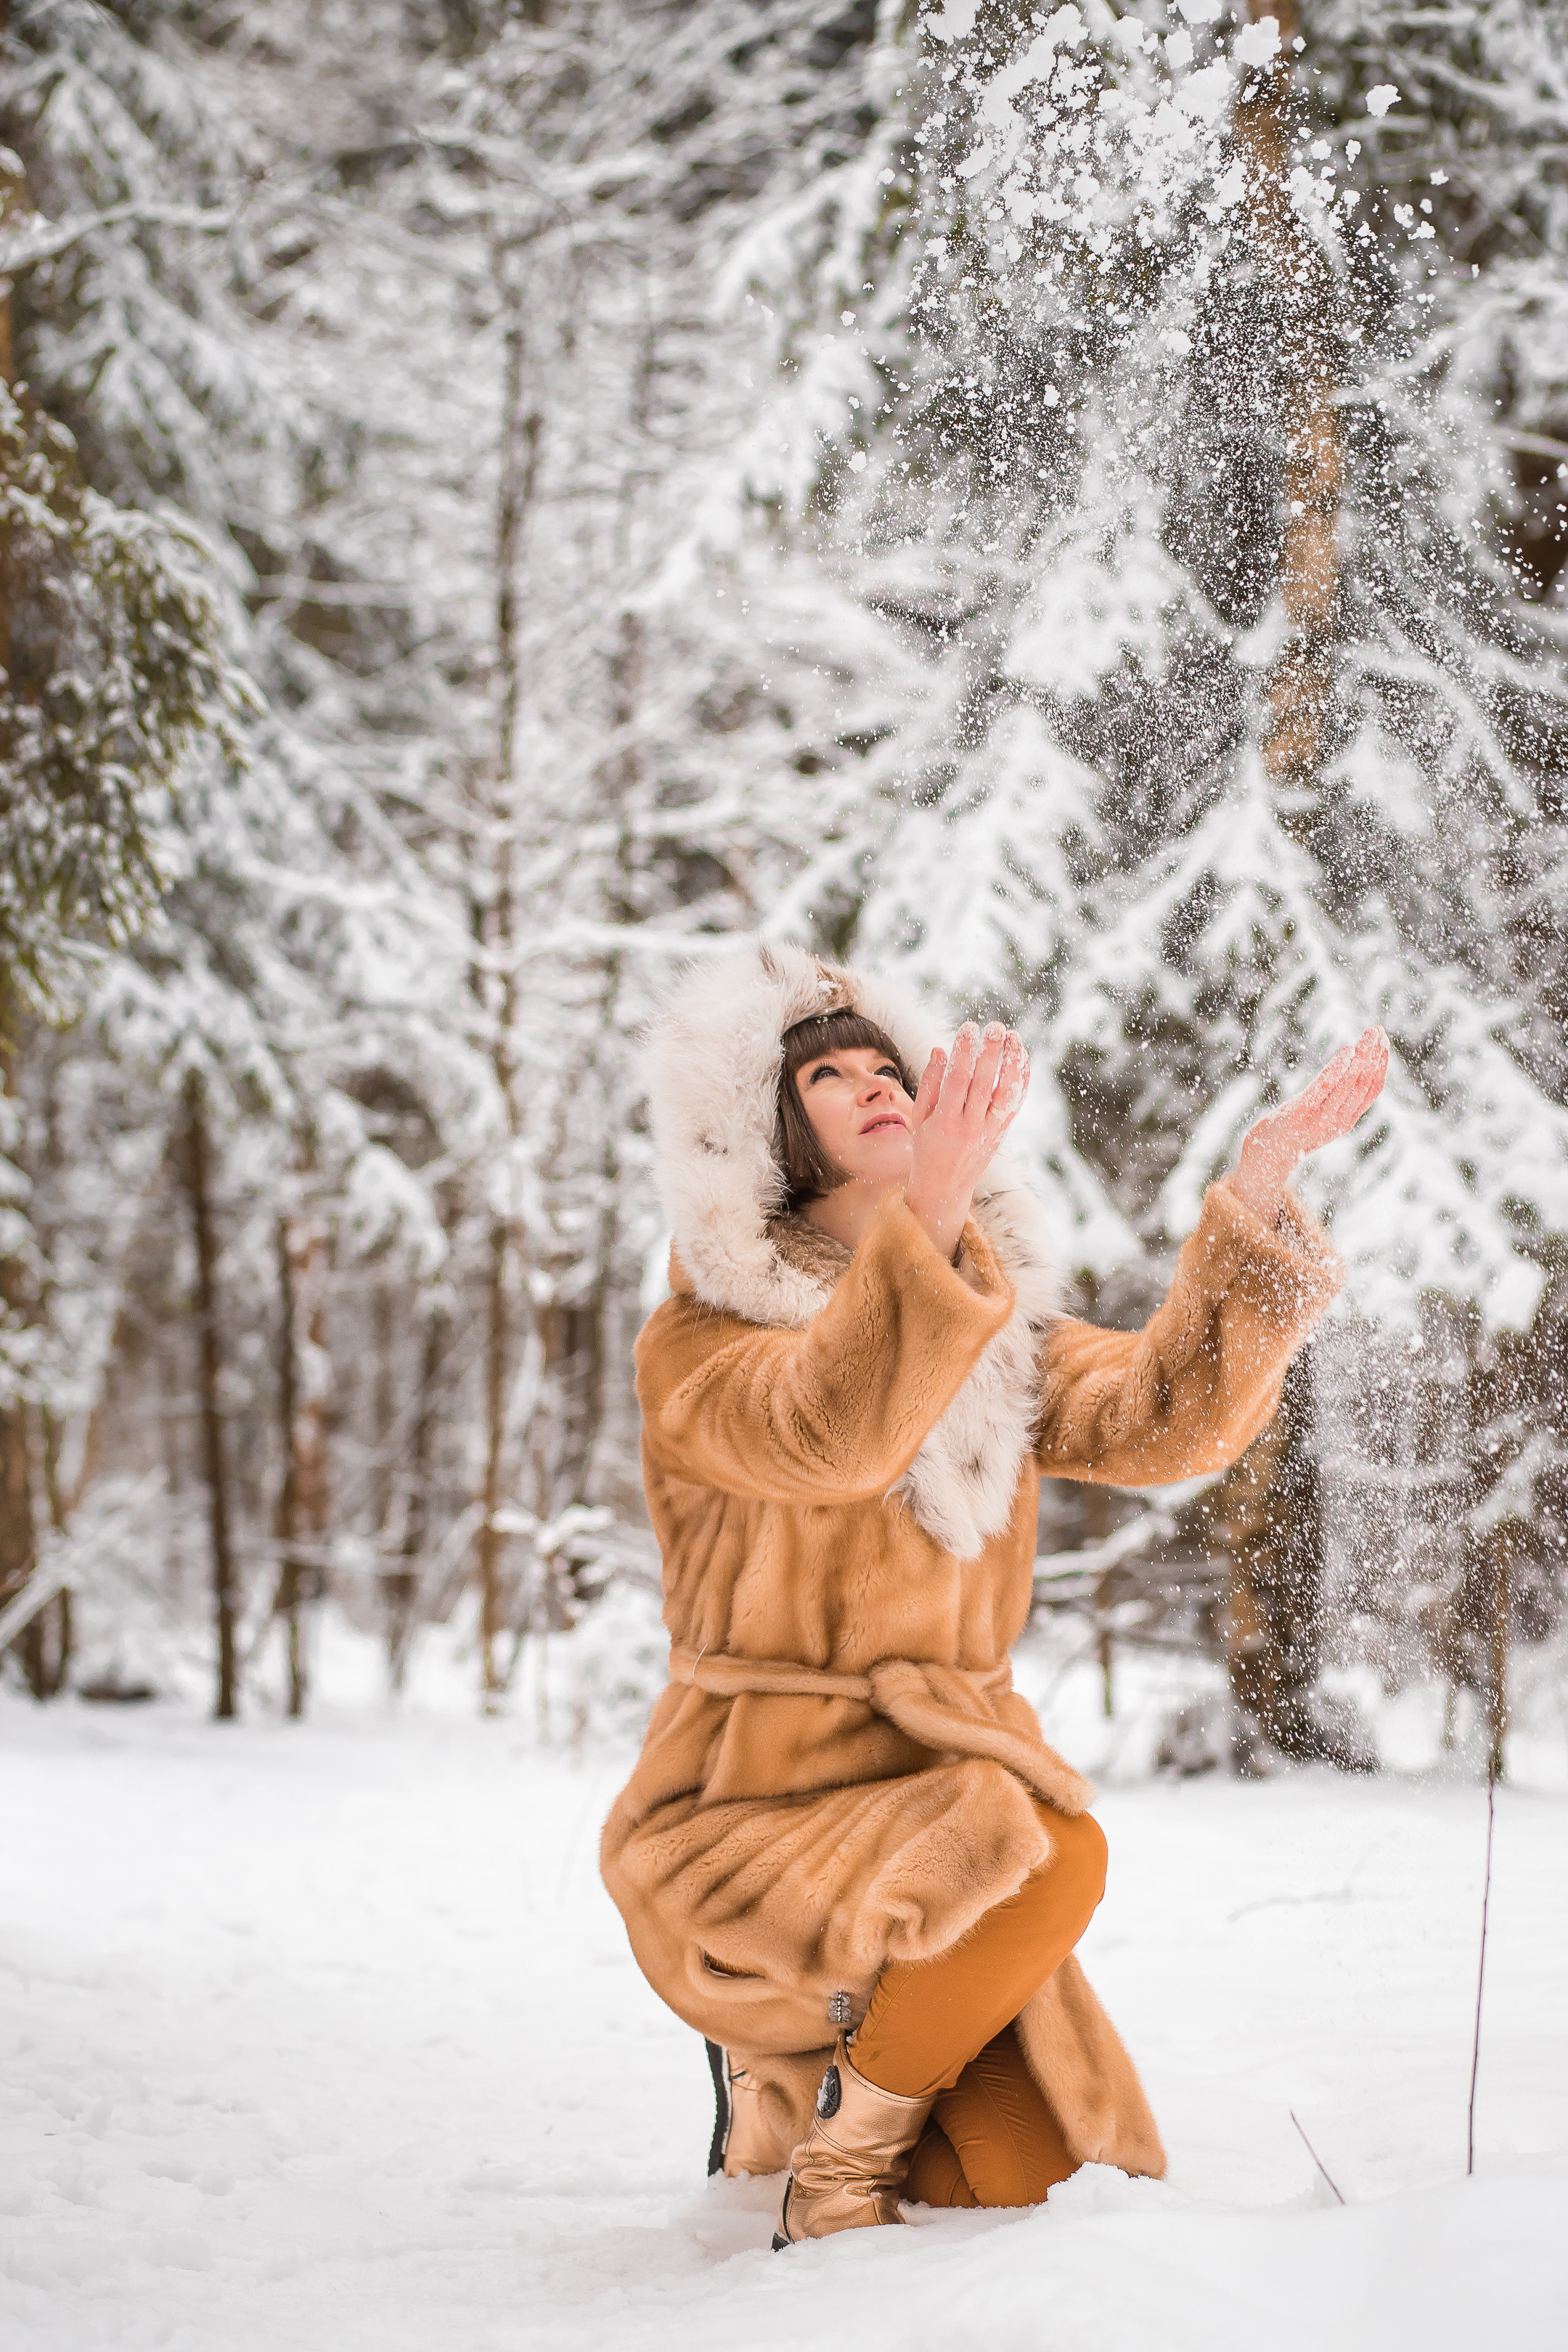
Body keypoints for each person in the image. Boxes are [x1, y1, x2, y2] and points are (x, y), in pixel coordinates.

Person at [600, 942, 1387, 2246]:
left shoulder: (989, 1325)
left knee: (1024, 2185)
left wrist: (1258, 1193)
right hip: (754, 1814)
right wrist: (939, 1214)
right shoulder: (699, 1348)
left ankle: (826, 2079)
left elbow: (1166, 1423)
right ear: (767, 1137)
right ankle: (835, 2165)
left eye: (884, 1064)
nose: (874, 1084)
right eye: (828, 1077)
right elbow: (833, 1432)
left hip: (942, 1817)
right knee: (1054, 1842)